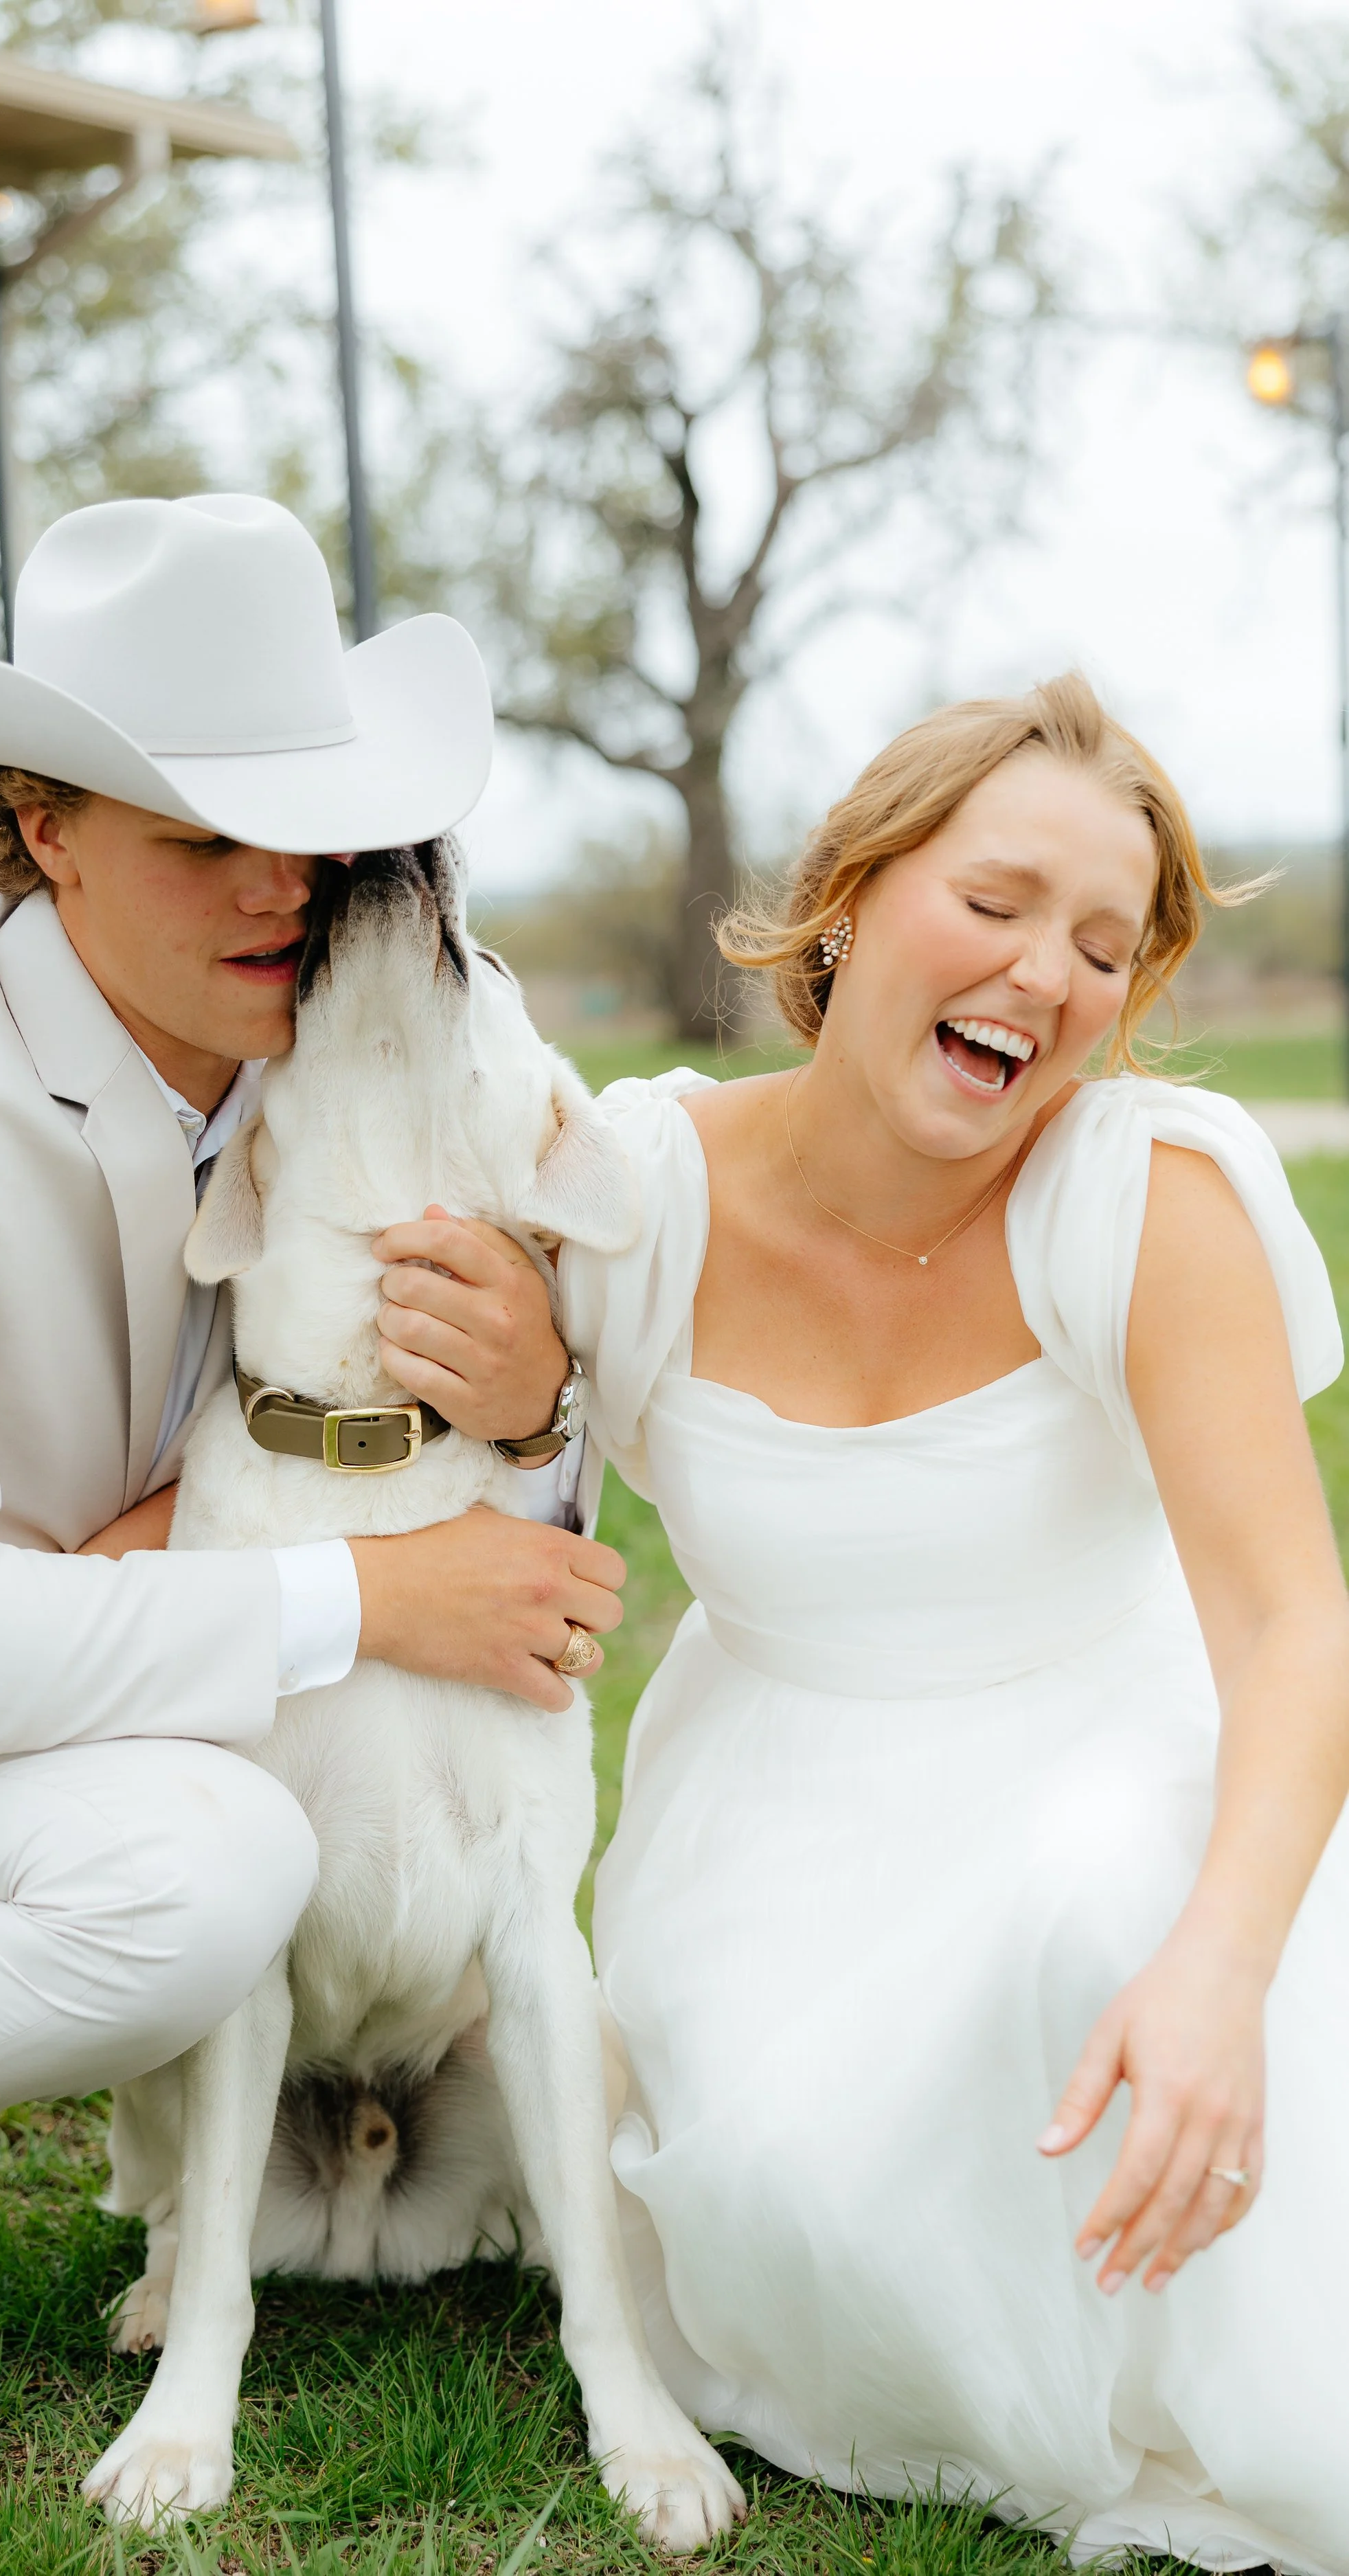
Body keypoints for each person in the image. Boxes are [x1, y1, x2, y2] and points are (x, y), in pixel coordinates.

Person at [0, 493, 623, 2496]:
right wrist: (371, 1597)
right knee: (211, 1860)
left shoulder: (296, 1026)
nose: (282, 888)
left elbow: (425, 1456)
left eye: (310, 830)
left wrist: (531, 1408)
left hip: (88, 1682)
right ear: (42, 821)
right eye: (201, 837)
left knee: (234, 1816)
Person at [560, 674, 1349, 2572]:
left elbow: (1289, 1627)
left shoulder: (1142, 1192)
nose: (1044, 972)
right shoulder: (635, 1186)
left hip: (1114, 1744)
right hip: (776, 1820)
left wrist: (1221, 1969)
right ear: (850, 893)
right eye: (993, 901)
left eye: (1103, 943)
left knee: (1112, 1922)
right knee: (779, 2197)